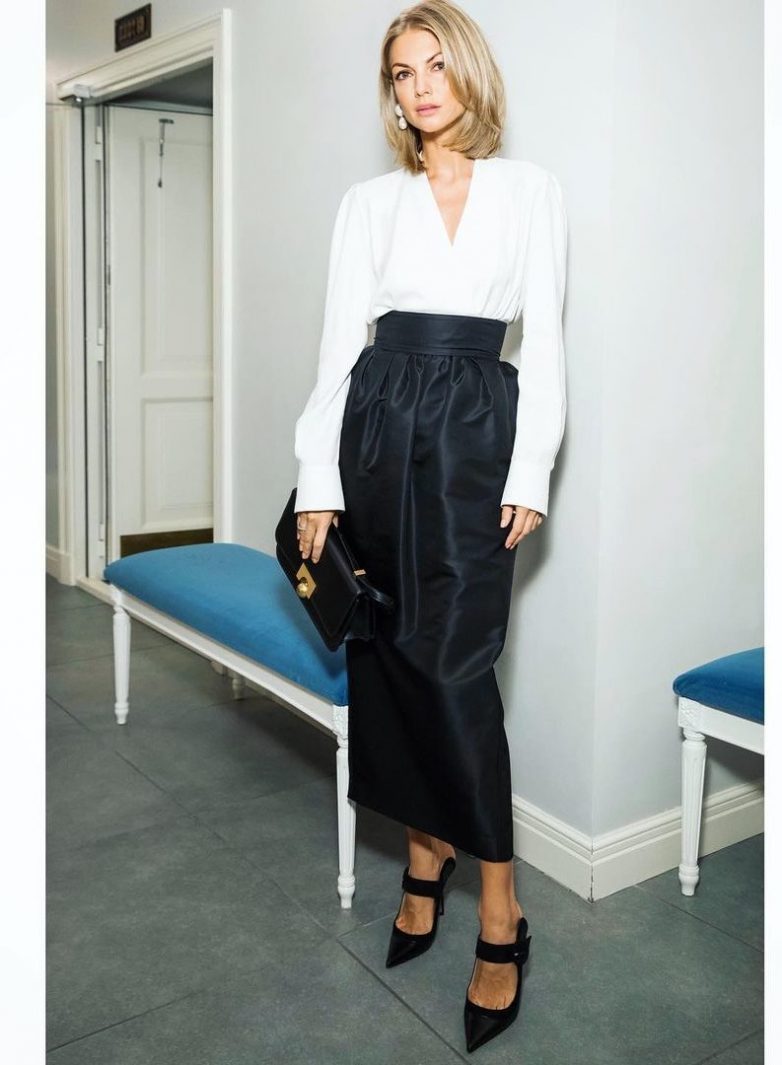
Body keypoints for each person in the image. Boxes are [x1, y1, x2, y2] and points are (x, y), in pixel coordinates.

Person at [292, 0, 567, 1052]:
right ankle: (422, 853)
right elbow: (337, 347)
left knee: (456, 668)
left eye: (436, 65)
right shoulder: (367, 202)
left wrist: (531, 466)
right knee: (387, 651)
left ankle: (500, 906)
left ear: (469, 73)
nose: (420, 88)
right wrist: (316, 479)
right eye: (402, 73)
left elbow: (545, 345)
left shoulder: (530, 190)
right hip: (373, 427)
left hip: (473, 433)